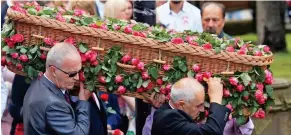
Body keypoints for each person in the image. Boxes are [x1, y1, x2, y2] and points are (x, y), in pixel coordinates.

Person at [201, 2, 255, 135]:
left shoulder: (236, 48)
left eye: (215, 20)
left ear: (223, 21)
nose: (211, 24)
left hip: (227, 113)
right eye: (207, 19)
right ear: (201, 20)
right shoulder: (192, 45)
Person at [22, 42, 92, 135]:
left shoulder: (39, 82)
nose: (77, 78)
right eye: (72, 74)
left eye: (79, 72)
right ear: (53, 70)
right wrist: (83, 102)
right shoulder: (53, 104)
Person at [151, 77, 230, 135]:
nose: (202, 110)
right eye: (198, 106)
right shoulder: (169, 118)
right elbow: (211, 132)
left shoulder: (165, 110)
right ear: (181, 104)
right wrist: (216, 99)